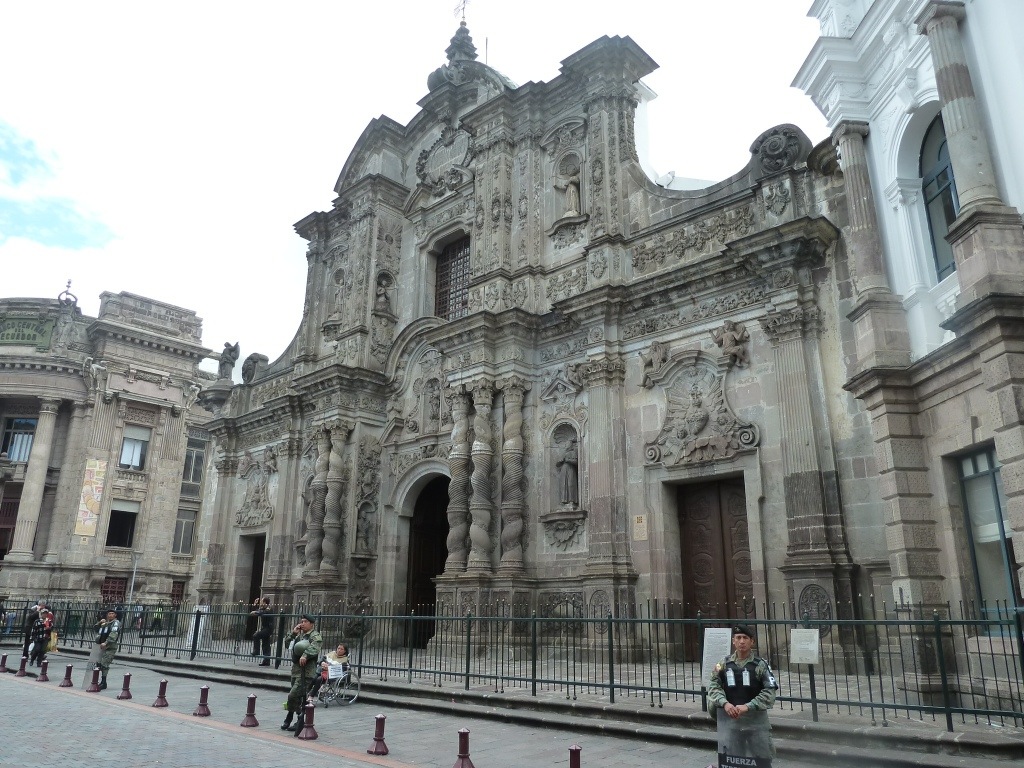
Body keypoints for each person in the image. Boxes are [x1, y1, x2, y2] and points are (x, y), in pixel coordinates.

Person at [707, 624, 778, 767]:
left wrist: (748, 706)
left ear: (752, 641)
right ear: (733, 641)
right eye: (738, 638)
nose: (741, 641)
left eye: (745, 638)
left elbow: (770, 691)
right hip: (731, 722)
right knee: (733, 760)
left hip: (755, 722)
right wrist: (725, 703)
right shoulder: (723, 664)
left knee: (762, 761)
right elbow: (713, 686)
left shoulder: (760, 665)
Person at [281, 614, 323, 736]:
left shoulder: (315, 636)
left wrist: (305, 655)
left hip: (306, 671)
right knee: (297, 697)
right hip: (296, 670)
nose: (302, 623)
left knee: (293, 695)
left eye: (305, 621)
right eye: (302, 621)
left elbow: (315, 648)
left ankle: (298, 717)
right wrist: (293, 634)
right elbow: (287, 645)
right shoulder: (299, 635)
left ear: (311, 624)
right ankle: (292, 716)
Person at [94, 608, 122, 690]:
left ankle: (103, 682)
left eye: (112, 614)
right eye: (109, 614)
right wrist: (99, 622)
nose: (110, 615)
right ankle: (97, 681)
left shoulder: (116, 623)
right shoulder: (105, 623)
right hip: (101, 647)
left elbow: (113, 634)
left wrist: (106, 643)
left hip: (110, 647)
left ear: (115, 615)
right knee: (98, 664)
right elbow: (96, 629)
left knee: (104, 664)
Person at [250, 597, 273, 666]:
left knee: (256, 635)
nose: (260, 603)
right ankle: (266, 661)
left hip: (268, 628)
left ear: (265, 602)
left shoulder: (269, 608)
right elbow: (257, 611)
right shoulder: (263, 608)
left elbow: (263, 612)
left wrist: (256, 612)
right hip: (264, 628)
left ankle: (256, 651)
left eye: (261, 602)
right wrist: (255, 605)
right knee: (266, 644)